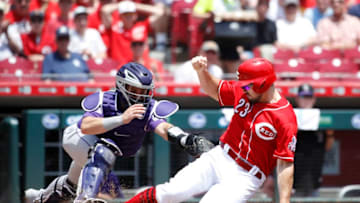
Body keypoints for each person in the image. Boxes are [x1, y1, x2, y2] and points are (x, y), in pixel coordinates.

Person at [34, 61, 214, 202]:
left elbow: (163, 127)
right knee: (104, 152)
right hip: (79, 138)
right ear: (121, 86)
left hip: (95, 151)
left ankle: (40, 198)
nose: (140, 96)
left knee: (69, 188)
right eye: (135, 90)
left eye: (144, 91)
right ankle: (85, 199)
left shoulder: (148, 108)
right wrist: (122, 119)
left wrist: (184, 138)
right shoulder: (106, 100)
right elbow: (86, 126)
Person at [126, 56, 298, 203]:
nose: (243, 88)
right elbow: (214, 90)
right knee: (170, 192)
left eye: (247, 85)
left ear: (263, 84)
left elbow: (285, 162)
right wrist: (201, 71)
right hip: (220, 155)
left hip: (246, 175)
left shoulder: (284, 117)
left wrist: (284, 200)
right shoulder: (245, 91)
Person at [293, 83, 335, 197]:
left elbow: (328, 147)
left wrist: (330, 134)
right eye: (303, 97)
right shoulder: (290, 116)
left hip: (314, 177)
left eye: (309, 97)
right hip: (293, 180)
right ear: (297, 98)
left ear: (314, 98)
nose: (306, 100)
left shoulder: (320, 117)